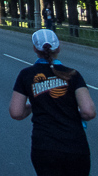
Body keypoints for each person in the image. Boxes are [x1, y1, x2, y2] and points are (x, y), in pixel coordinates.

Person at [10, 29, 96, 176]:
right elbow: (88, 111)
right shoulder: (72, 74)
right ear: (59, 48)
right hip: (75, 145)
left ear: (35, 49)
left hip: (44, 146)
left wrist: (32, 106)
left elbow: (16, 112)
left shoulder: (26, 75)